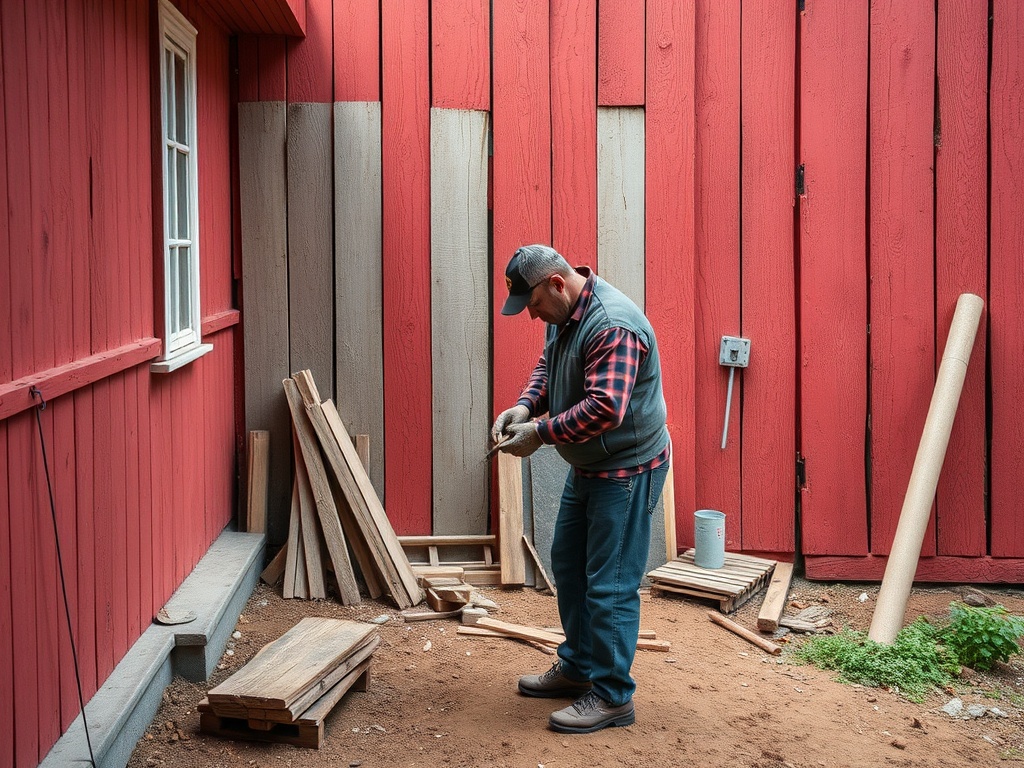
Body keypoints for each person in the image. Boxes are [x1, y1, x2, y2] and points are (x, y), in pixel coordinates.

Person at [492, 244, 671, 734]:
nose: (532, 316)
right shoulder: (564, 312)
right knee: (568, 565)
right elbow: (550, 367)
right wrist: (526, 407)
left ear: (555, 283)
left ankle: (612, 696)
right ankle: (578, 667)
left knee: (609, 584)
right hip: (591, 463)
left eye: (532, 305)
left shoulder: (612, 324)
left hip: (627, 468)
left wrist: (540, 435)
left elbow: (605, 409)